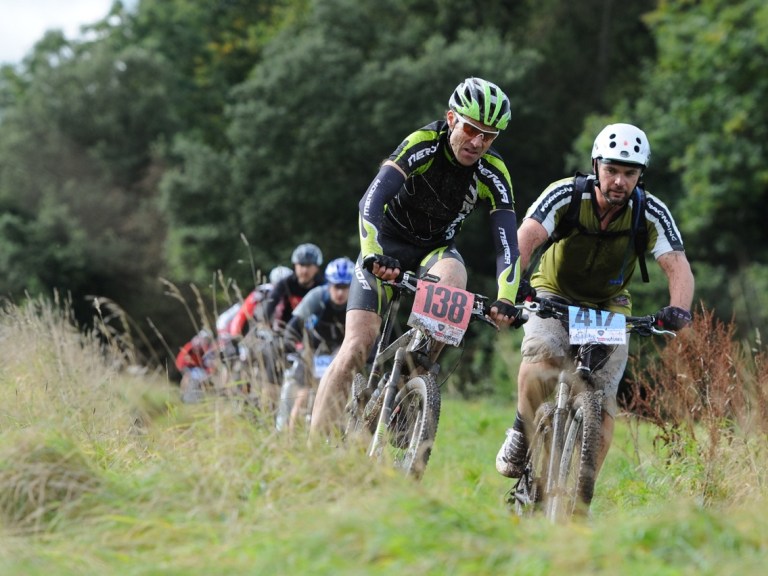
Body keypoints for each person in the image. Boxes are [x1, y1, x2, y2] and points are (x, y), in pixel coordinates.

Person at [310, 77, 525, 437]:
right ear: (451, 119)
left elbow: (507, 243)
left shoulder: (493, 171)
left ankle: (410, 386)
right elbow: (371, 201)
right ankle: (312, 443)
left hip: (434, 250)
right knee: (357, 345)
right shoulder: (423, 143)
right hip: (387, 244)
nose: (477, 142)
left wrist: (506, 298)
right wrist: (373, 254)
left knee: (455, 278)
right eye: (471, 129)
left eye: (488, 136)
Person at [495, 123, 695, 480]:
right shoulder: (566, 195)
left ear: (640, 175)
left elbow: (676, 264)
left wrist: (679, 309)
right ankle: (521, 431)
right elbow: (526, 237)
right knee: (543, 355)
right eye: (611, 170)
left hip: (609, 303)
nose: (619, 181)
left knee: (602, 398)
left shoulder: (650, 211)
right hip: (553, 291)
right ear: (595, 166)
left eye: (629, 173)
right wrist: (511, 290)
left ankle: (581, 495)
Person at [276, 257, 354, 431]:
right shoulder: (317, 296)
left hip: (339, 352)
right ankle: (287, 430)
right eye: (336, 286)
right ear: (329, 284)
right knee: (301, 392)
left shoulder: (357, 303)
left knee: (340, 394)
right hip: (312, 349)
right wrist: (290, 346)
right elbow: (293, 327)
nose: (340, 293)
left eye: (345, 287)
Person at [264, 244, 325, 332]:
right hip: (286, 332)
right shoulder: (285, 283)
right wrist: (267, 327)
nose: (305, 270)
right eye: (301, 265)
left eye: (309, 265)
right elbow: (270, 304)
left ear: (317, 267)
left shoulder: (323, 286)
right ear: (295, 265)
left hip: (316, 333)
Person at [174, 329, 216, 403]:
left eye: (208, 339)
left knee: (202, 378)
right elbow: (184, 357)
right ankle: (182, 393)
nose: (207, 341)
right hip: (185, 364)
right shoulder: (193, 345)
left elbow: (204, 361)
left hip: (193, 366)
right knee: (187, 376)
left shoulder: (204, 348)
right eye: (206, 339)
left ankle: (198, 397)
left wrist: (207, 370)